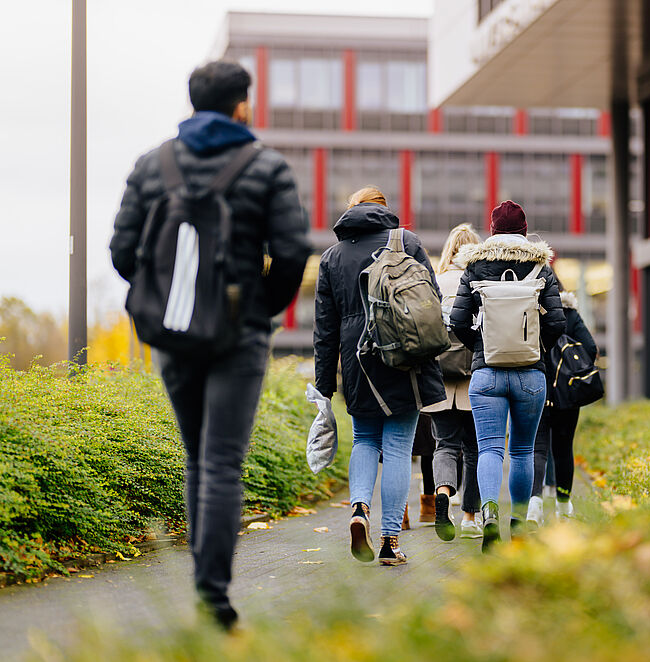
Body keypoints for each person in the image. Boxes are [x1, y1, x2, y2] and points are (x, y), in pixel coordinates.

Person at [109, 61, 311, 630]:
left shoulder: (153, 165)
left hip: (173, 335)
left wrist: (165, 298)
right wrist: (258, 309)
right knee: (222, 460)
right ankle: (212, 598)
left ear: (193, 102)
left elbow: (122, 251)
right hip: (237, 335)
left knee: (198, 456)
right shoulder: (266, 167)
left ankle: (205, 590)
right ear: (241, 105)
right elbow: (292, 252)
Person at [313, 187, 445, 566]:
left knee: (365, 439)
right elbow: (431, 301)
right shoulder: (407, 242)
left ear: (351, 211)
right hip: (404, 354)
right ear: (385, 211)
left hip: (357, 361)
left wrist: (325, 385)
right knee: (399, 448)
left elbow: (325, 330)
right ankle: (390, 541)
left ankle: (359, 510)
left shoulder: (332, 257)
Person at [449, 201, 565, 552]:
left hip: (487, 374)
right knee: (523, 450)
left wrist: (482, 347)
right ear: (525, 230)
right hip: (531, 374)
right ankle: (517, 522)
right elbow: (557, 323)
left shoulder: (474, 266)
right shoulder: (541, 267)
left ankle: (488, 515)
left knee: (489, 448)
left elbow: (457, 322)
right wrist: (534, 348)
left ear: (493, 230)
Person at [422, 223, 483, 541]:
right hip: (474, 376)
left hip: (440, 379)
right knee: (474, 449)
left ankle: (443, 493)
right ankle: (470, 518)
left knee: (444, 445)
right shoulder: (480, 282)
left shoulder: (435, 282)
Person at [527, 288, 598, 526]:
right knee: (564, 449)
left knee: (537, 449)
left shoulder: (529, 311)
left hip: (535, 388)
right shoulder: (570, 315)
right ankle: (564, 507)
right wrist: (571, 370)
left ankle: (534, 506)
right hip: (566, 395)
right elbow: (590, 348)